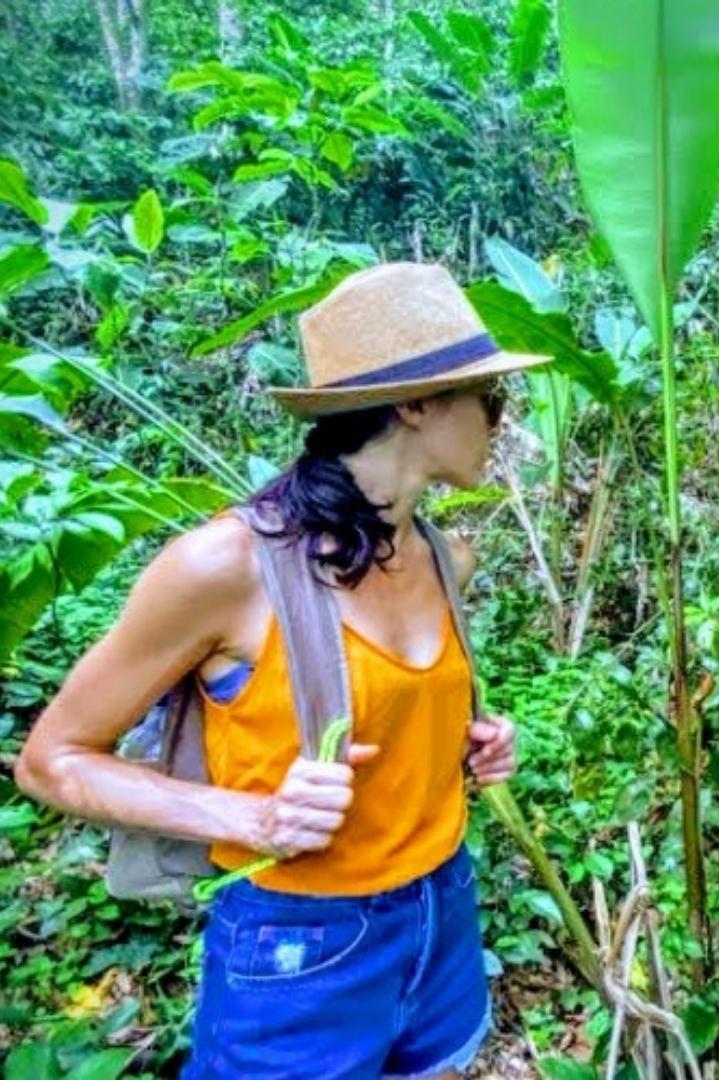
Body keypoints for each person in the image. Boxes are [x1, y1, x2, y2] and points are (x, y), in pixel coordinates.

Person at [16, 261, 553, 1079]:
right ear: (415, 404)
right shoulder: (225, 567)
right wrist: (254, 819)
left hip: (442, 908)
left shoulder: (449, 558)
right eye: (491, 400)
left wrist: (469, 748)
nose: (500, 422)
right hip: (298, 943)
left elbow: (390, 719)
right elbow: (51, 761)